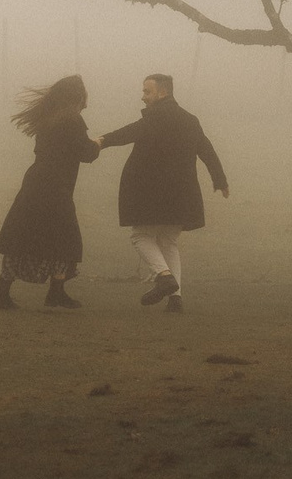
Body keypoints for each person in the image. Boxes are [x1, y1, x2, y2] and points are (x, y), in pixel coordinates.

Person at [97, 74, 228, 314]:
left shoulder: (157, 116)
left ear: (163, 92)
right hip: (183, 192)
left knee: (140, 236)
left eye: (147, 91)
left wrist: (102, 141)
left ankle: (164, 276)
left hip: (152, 191)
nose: (143, 96)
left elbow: (131, 132)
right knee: (169, 241)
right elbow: (206, 148)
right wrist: (220, 179)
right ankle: (175, 299)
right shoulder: (190, 119)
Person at [0, 75, 100, 310]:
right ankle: (55, 292)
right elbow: (85, 153)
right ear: (77, 97)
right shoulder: (73, 120)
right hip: (56, 187)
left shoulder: (49, 119)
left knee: (22, 235)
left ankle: (2, 290)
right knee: (65, 238)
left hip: (35, 182)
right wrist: (97, 144)